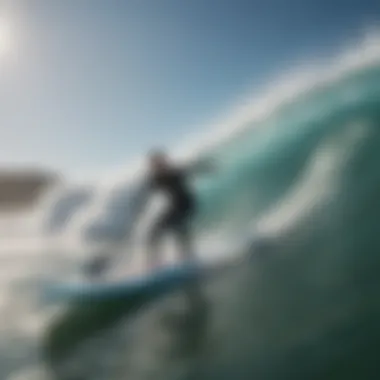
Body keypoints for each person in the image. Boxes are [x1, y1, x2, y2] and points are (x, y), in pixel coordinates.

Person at [133, 149, 215, 270]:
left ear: (164, 162)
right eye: (154, 165)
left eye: (160, 163)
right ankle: (155, 264)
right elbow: (144, 194)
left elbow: (194, 169)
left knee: (179, 228)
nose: (158, 166)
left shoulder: (175, 172)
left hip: (186, 204)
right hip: (173, 207)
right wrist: (137, 206)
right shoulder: (155, 179)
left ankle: (189, 259)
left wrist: (207, 168)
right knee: (153, 232)